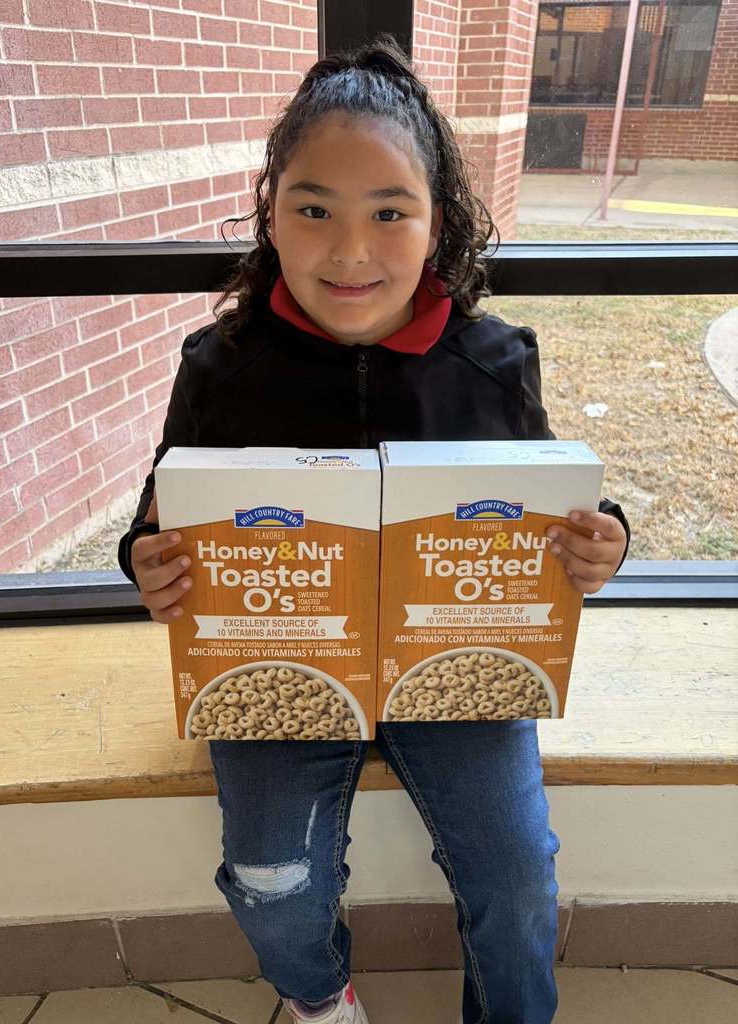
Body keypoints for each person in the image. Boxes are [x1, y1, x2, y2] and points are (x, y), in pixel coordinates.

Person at [117, 34, 631, 1024]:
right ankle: (318, 998)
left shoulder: (490, 360)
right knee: (270, 875)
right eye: (313, 209)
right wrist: (150, 564)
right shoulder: (221, 367)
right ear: (272, 214)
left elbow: (559, 495)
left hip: (460, 668)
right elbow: (157, 518)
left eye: (390, 213)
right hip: (279, 663)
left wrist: (601, 539)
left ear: (437, 222)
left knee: (520, 872)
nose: (350, 251)